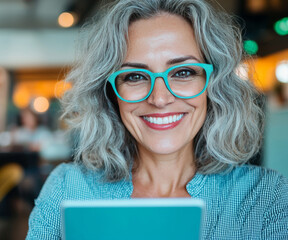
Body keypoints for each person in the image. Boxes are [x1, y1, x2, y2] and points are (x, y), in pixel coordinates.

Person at [27, 0, 288, 239]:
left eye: (183, 72)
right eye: (135, 77)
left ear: (213, 85)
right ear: (111, 93)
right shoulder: (68, 187)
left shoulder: (264, 195)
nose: (160, 98)